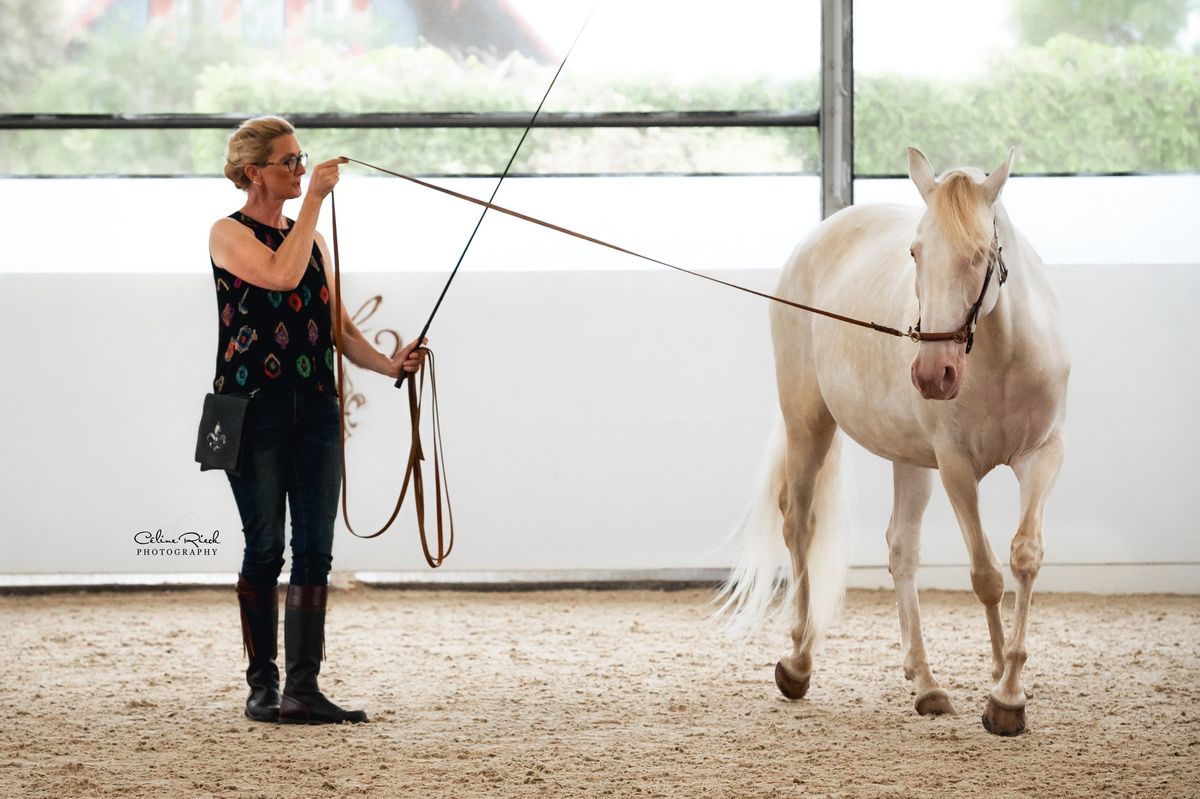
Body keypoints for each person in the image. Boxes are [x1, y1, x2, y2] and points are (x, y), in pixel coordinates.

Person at [210, 116, 425, 724]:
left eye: (303, 160)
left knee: (315, 549)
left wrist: (388, 365)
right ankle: (263, 686)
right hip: (248, 410)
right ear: (255, 172)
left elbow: (338, 329)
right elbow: (278, 275)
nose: (301, 171)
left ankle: (303, 688)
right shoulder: (226, 234)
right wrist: (317, 204)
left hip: (314, 408)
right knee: (266, 544)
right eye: (289, 162)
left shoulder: (314, 240)